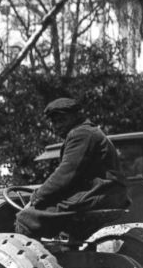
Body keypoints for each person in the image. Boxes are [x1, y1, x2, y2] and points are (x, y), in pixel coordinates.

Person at [16, 97, 129, 238]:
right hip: (107, 194)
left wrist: (36, 197)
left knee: (25, 218)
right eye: (54, 122)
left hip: (99, 194)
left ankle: (34, 258)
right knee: (57, 220)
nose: (57, 126)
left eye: (62, 120)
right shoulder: (88, 132)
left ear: (76, 116)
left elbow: (65, 175)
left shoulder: (81, 134)